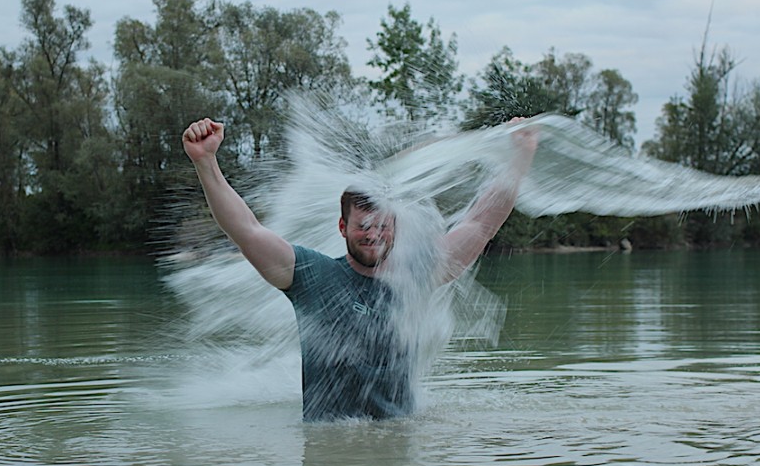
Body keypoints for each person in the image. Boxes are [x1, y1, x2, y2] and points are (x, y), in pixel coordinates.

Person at [183, 116, 538, 421]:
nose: (374, 235)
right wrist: (206, 162)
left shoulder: (414, 278)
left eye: (382, 225)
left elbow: (479, 224)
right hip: (331, 443)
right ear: (343, 228)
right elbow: (246, 230)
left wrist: (519, 158)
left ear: (396, 227)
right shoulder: (312, 276)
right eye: (363, 226)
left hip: (399, 443)